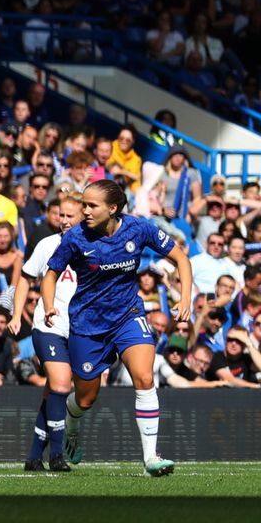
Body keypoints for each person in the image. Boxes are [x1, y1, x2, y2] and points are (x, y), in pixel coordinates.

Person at [45, 179, 192, 477]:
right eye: (83, 204)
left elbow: (180, 258)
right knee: (86, 398)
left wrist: (186, 298)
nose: (84, 210)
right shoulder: (75, 239)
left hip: (128, 315)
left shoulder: (139, 229)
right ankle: (72, 426)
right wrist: (50, 304)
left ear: (112, 208)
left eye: (91, 205)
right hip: (88, 324)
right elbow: (50, 275)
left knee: (144, 376)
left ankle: (151, 458)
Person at [15, 190, 82, 471]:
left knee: (53, 392)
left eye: (70, 215)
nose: (64, 220)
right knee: (62, 385)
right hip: (48, 325)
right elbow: (25, 279)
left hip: (77, 330)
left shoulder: (94, 248)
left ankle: (33, 457)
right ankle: (57, 455)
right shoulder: (47, 245)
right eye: (61, 215)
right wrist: (18, 314)